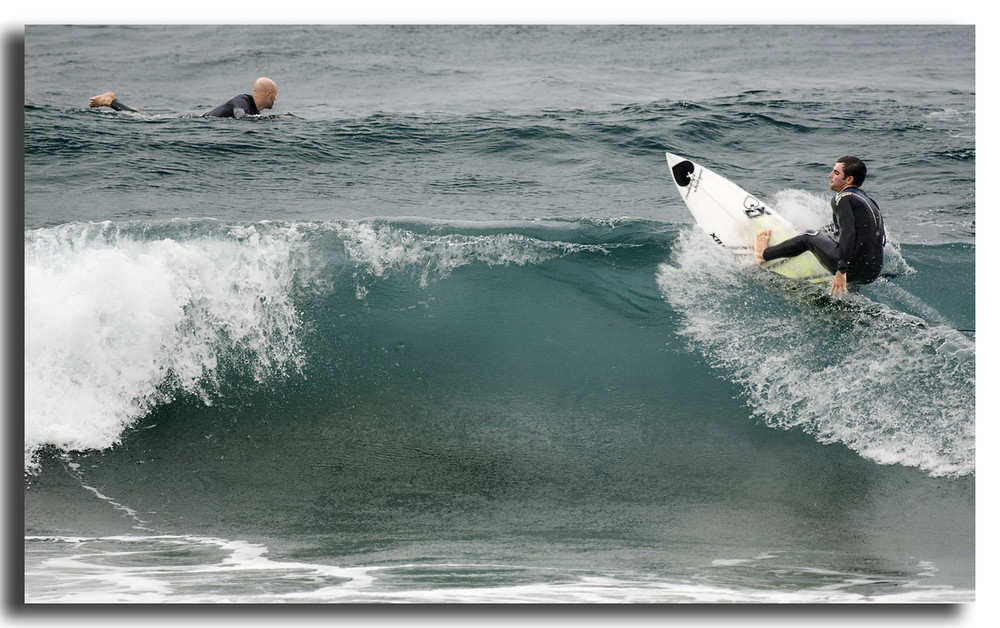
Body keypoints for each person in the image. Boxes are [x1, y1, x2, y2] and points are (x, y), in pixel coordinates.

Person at [753, 156, 885, 298]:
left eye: (836, 173)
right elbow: (849, 232)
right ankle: (849, 293)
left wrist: (841, 270)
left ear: (849, 180)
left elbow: (849, 233)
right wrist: (818, 236)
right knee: (815, 237)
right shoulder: (868, 202)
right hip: (871, 272)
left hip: (850, 269)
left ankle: (763, 255)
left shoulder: (843, 198)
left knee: (808, 237)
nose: (830, 175)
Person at [88, 77, 278, 118]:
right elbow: (238, 113)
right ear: (268, 94)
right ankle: (110, 101)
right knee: (144, 121)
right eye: (274, 96)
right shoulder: (243, 101)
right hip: (192, 122)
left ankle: (113, 101)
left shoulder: (252, 107)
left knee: (145, 117)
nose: (275, 100)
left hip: (196, 119)